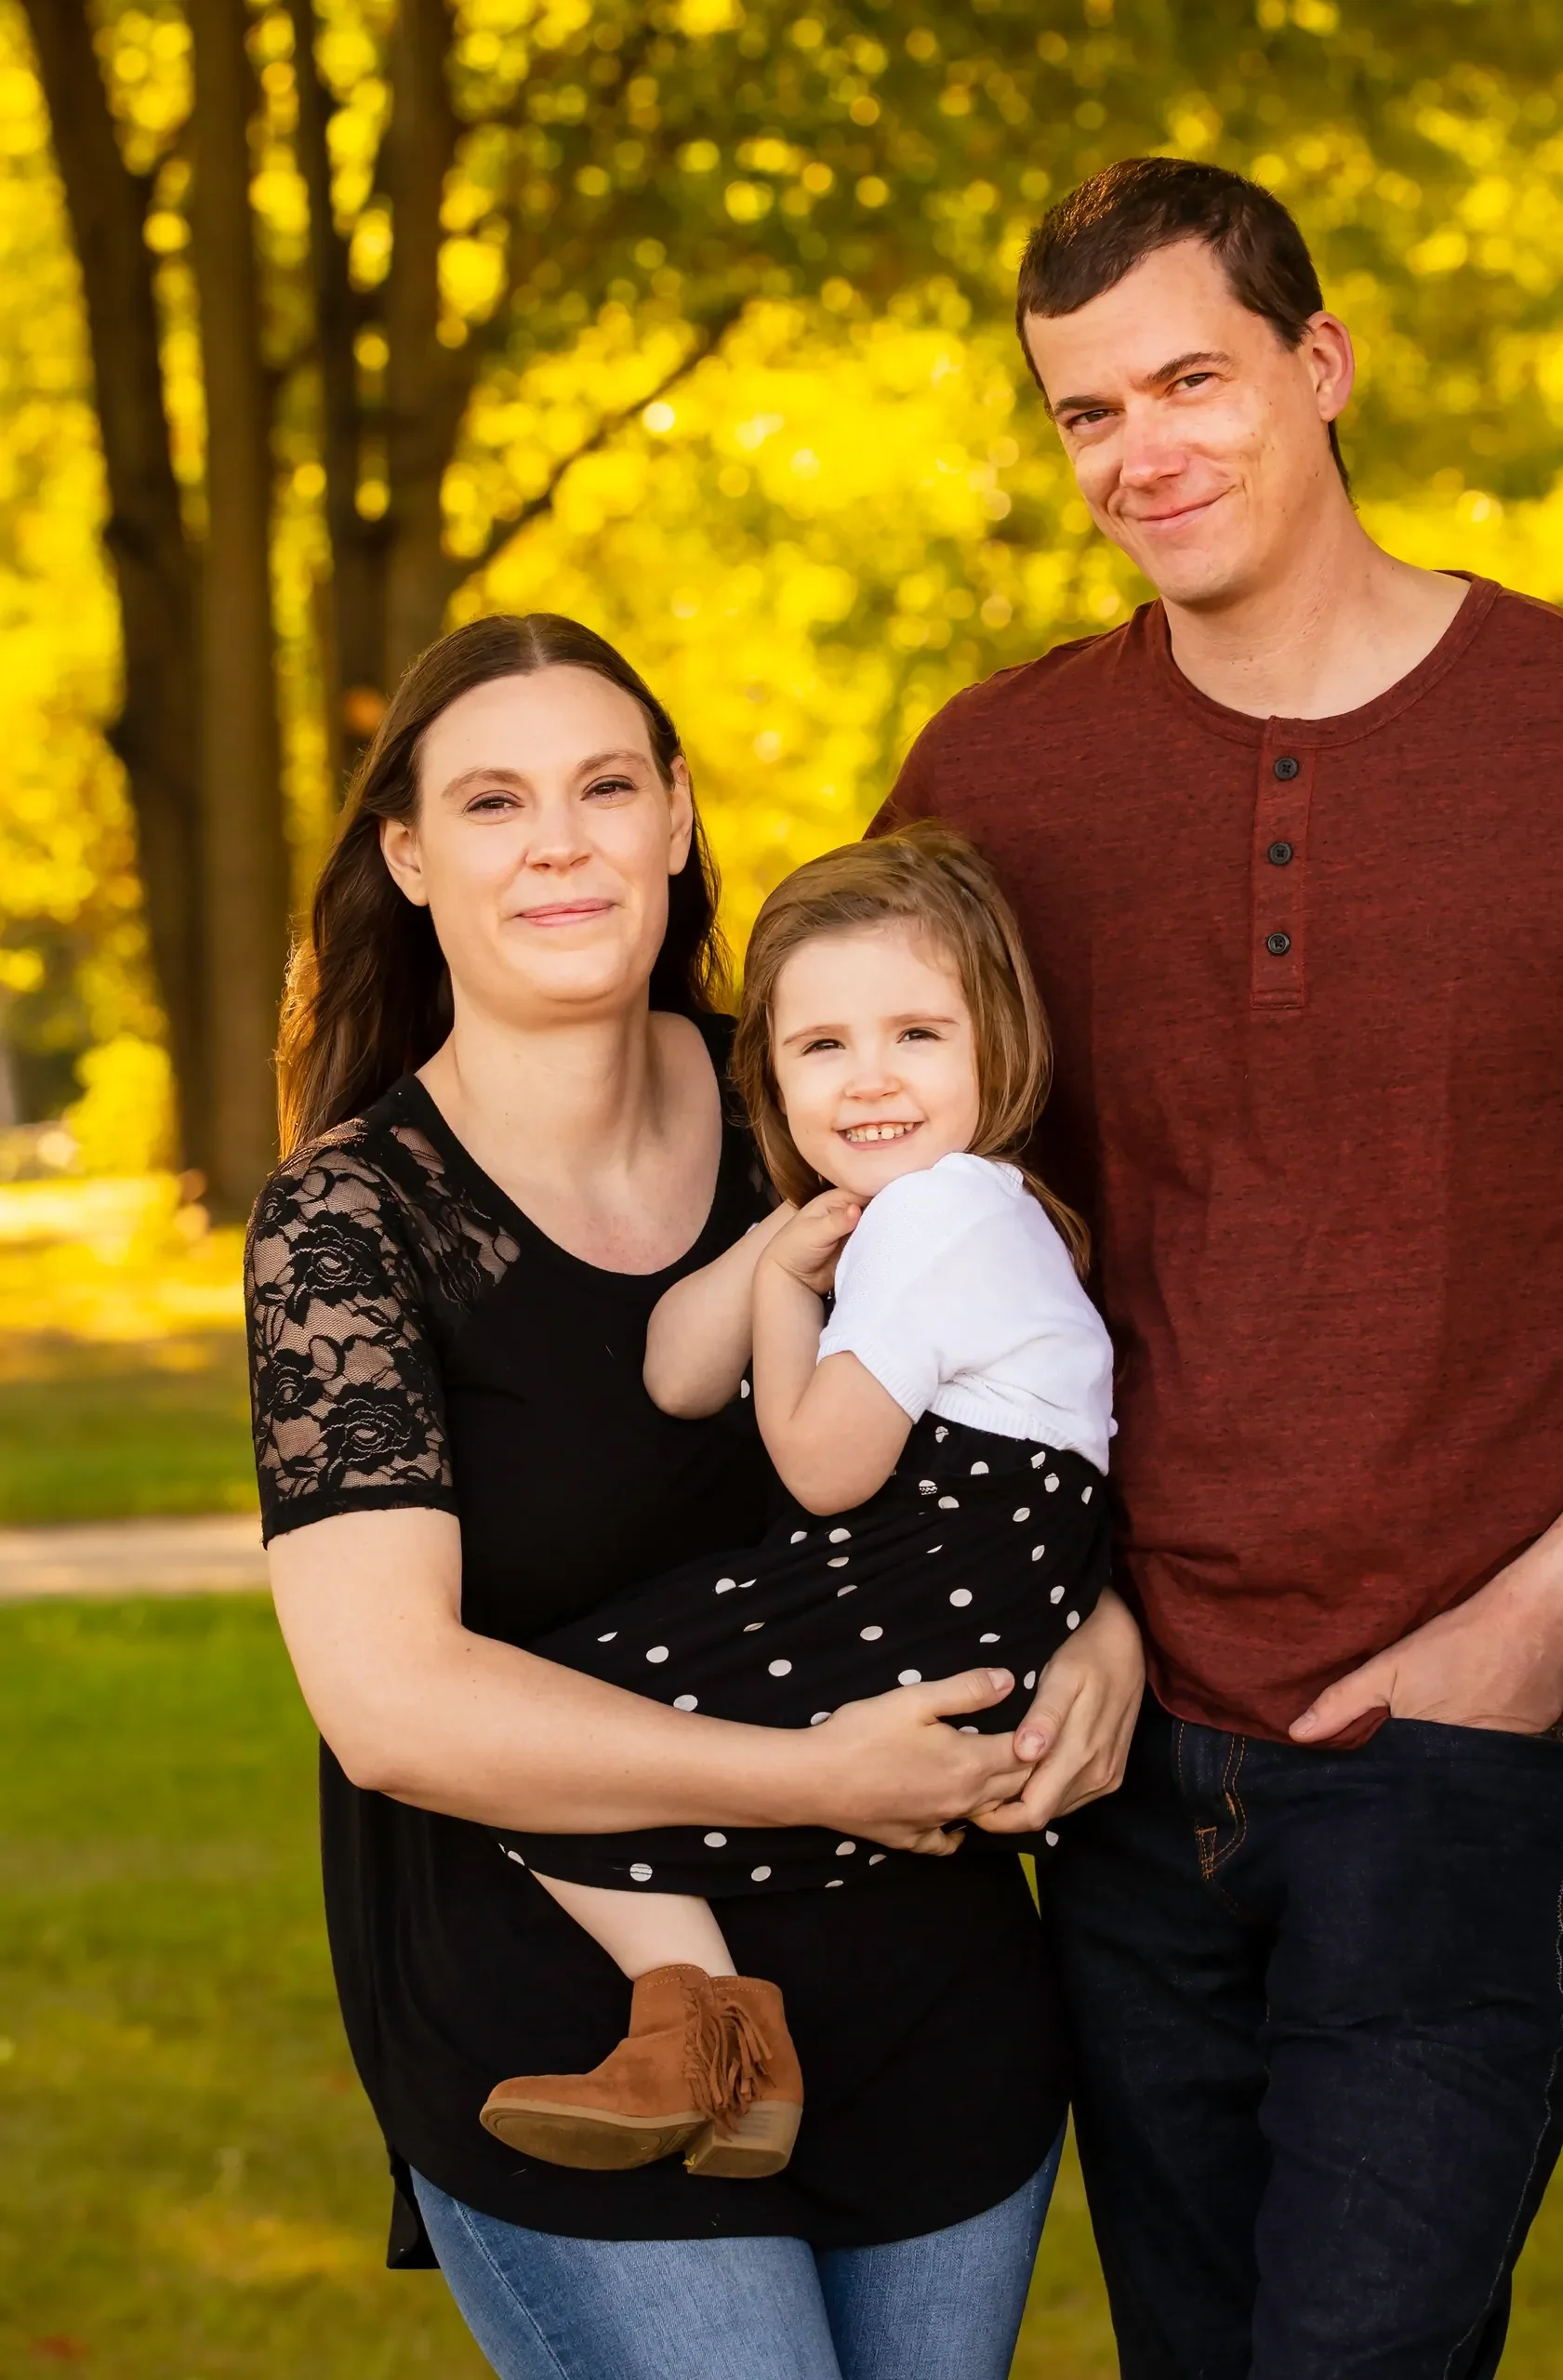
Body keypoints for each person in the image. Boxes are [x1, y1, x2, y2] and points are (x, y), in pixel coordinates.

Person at [880, 157, 1563, 2380]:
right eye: (1083, 412)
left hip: (1478, 1744)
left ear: (1320, 370)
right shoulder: (992, 774)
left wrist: (1537, 1621)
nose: (1143, 451)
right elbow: (932, 1249)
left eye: (1191, 380)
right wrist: (1083, 1609)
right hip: (1123, 1728)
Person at [245, 613, 1146, 2380]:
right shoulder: (350, 1226)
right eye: (494, 803)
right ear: (412, 860)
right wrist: (817, 1775)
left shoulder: (827, 1093)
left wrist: (1095, 1618)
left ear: (674, 818)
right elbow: (392, 1708)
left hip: (925, 1980)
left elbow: (1019, 1397)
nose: (561, 841)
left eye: (603, 786)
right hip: (564, 2007)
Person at [471, 826, 1114, 2180]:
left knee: (556, 1723)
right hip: (969, 1570)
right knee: (580, 1738)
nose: (869, 1078)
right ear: (768, 1070)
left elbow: (825, 1467)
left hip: (932, 1557)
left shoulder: (941, 1214)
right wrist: (788, 1236)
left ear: (998, 1042)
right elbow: (672, 1372)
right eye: (820, 1047)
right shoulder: (932, 1213)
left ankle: (707, 2033)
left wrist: (781, 1294)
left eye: (918, 1035)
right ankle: (710, 2037)